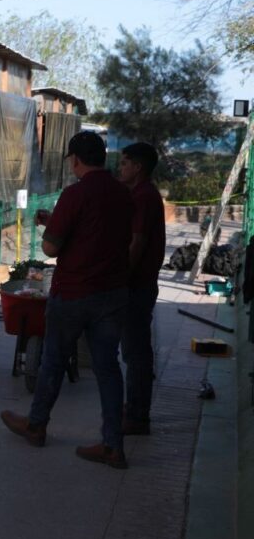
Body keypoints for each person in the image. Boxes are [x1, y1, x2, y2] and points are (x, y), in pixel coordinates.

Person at [1, 131, 134, 469]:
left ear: (75, 159)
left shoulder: (75, 194)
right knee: (107, 369)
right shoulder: (124, 194)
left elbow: (51, 248)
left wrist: (53, 228)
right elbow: (105, 233)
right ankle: (113, 445)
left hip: (74, 293)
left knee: (53, 361)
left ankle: (36, 425)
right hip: (112, 294)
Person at [118, 142, 165, 436]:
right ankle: (134, 408)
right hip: (138, 284)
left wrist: (120, 277)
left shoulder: (144, 197)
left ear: (137, 167)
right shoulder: (140, 194)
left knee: (135, 352)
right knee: (134, 350)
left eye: (124, 163)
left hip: (137, 285)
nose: (120, 167)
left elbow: (136, 242)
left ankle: (136, 415)